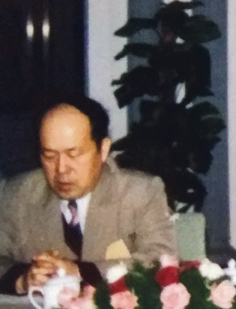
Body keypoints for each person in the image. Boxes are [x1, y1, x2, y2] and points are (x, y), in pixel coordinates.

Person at [0, 94, 176, 294]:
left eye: (73, 154)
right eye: (49, 155)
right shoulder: (17, 194)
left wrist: (82, 272)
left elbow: (160, 261)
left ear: (103, 149)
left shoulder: (140, 192)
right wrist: (21, 280)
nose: (61, 169)